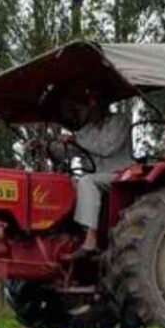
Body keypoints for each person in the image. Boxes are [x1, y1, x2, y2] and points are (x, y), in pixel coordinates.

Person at [35, 104, 132, 258]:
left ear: (96, 105)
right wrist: (47, 147)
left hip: (120, 175)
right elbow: (68, 152)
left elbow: (106, 148)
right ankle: (69, 236)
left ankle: (91, 240)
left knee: (87, 181)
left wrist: (75, 139)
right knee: (68, 184)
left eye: (82, 107)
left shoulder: (120, 121)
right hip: (98, 177)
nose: (79, 112)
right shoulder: (86, 130)